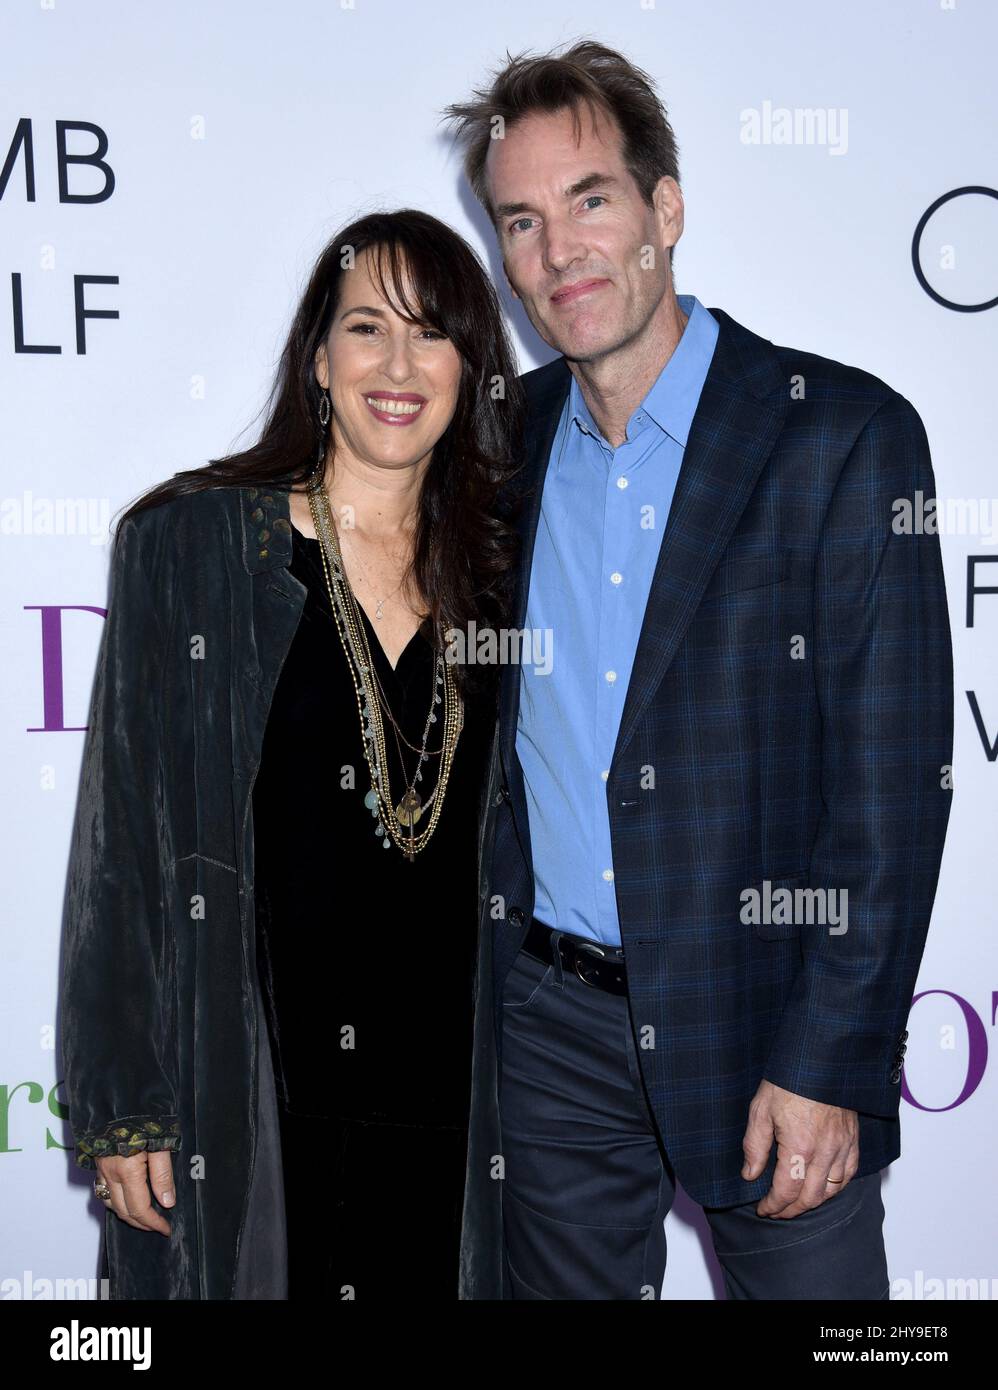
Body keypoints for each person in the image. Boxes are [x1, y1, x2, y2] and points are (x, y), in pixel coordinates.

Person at [444, 39, 954, 1299]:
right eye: (521, 219)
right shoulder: (496, 450)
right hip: (549, 1032)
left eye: (591, 199)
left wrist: (832, 1057)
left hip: (769, 1019)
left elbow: (893, 791)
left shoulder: (840, 435)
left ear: (665, 209)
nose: (558, 250)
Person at [59, 209, 523, 1299]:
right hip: (251, 1102)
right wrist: (124, 1099)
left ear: (470, 366)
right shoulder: (193, 546)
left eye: (432, 332)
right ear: (318, 358)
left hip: (447, 1118)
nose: (397, 366)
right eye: (367, 328)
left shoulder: (506, 580)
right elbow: (118, 839)